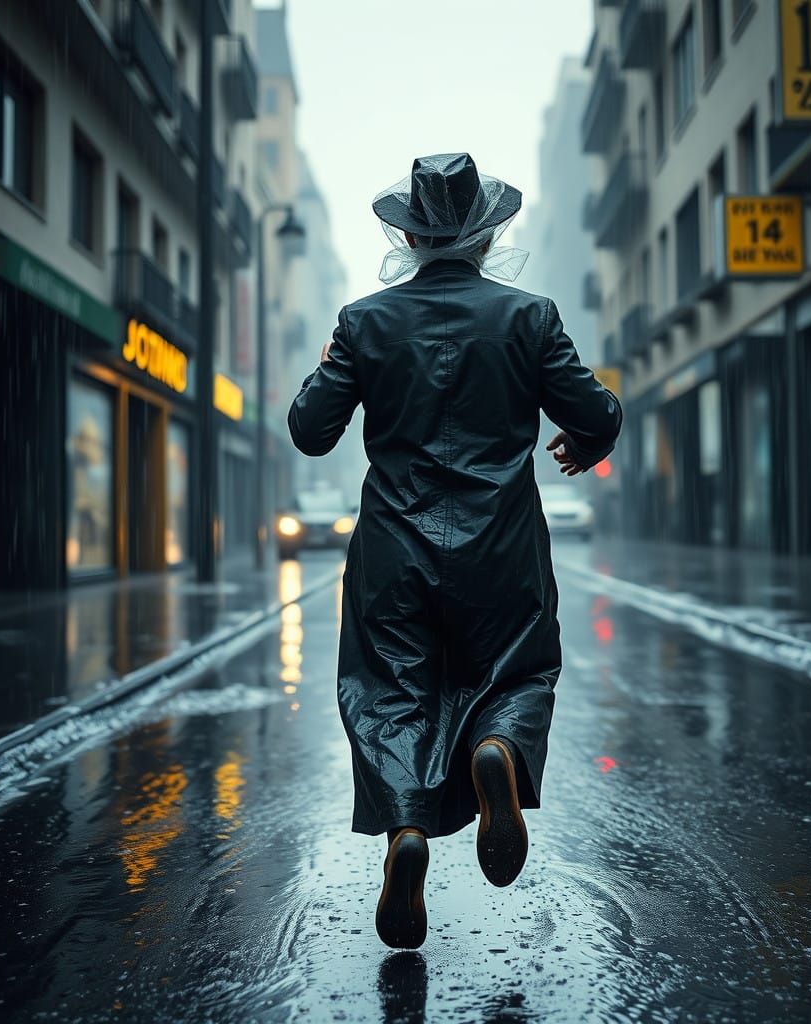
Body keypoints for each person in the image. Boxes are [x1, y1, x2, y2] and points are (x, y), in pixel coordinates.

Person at [288, 153, 622, 949]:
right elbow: (598, 413)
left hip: (392, 550)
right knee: (516, 668)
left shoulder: (364, 321)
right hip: (500, 545)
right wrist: (579, 436)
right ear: (484, 234)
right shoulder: (529, 316)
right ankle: (498, 746)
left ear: (407, 232)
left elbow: (310, 429)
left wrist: (348, 360)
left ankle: (406, 830)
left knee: (389, 689)